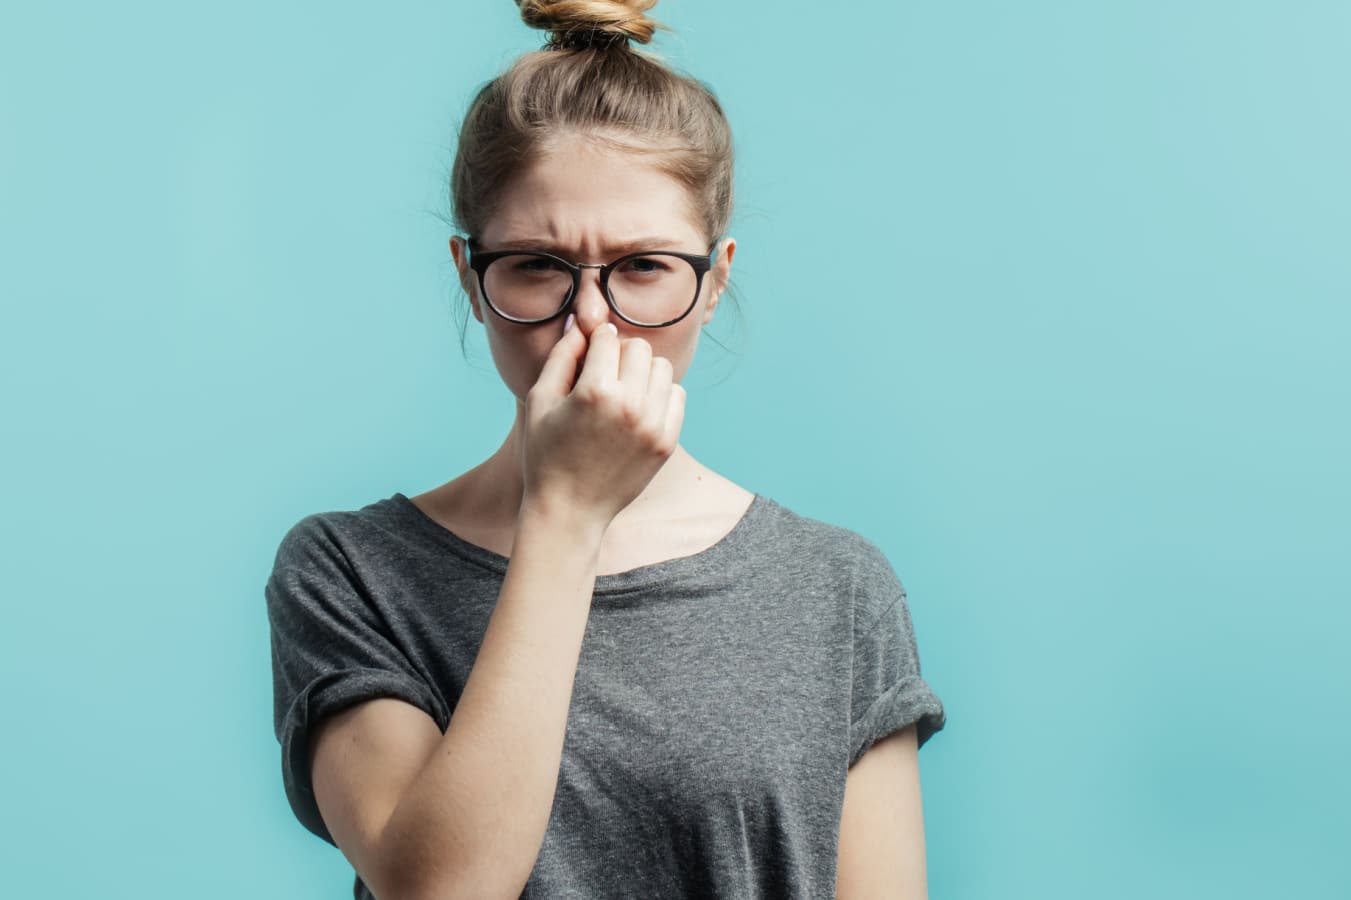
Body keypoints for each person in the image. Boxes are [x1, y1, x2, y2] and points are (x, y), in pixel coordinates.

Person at [264, 2, 947, 897]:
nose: (590, 319)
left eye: (643, 268)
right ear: (472, 279)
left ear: (715, 281)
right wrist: (566, 511)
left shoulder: (837, 587)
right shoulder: (352, 572)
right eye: (538, 266)